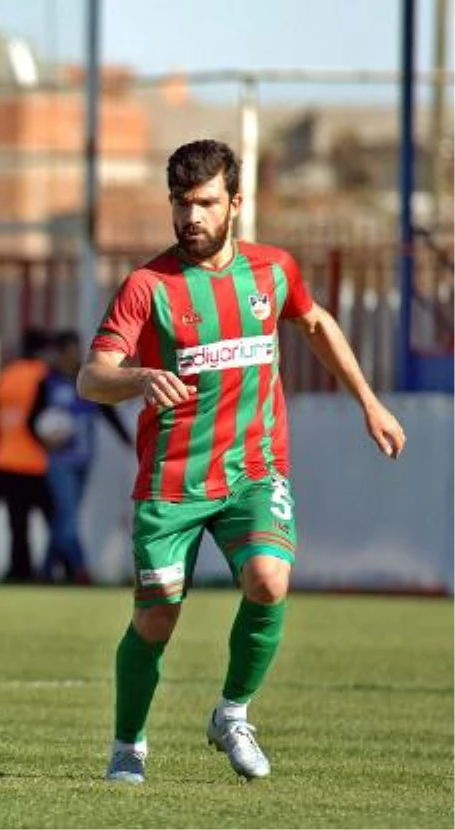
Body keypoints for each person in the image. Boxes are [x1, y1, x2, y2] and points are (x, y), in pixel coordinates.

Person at [78, 139, 406, 784]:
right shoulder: (148, 285)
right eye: (179, 203)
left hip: (253, 470)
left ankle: (232, 713)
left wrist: (369, 402)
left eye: (203, 203)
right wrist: (140, 377)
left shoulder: (273, 270)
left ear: (235, 203)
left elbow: (315, 324)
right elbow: (92, 378)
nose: (189, 217)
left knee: (269, 580)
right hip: (171, 481)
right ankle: (128, 746)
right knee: (157, 615)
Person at [32, 329, 131, 585]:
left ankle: (46, 570)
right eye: (72, 350)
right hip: (59, 461)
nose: (76, 355)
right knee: (68, 514)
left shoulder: (86, 380)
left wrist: (129, 441)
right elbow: (33, 419)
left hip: (84, 459)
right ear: (62, 353)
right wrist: (45, 440)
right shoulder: (48, 382)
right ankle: (80, 568)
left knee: (65, 516)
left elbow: (108, 412)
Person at [0, 328, 53, 582]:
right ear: (43, 351)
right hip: (34, 460)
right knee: (37, 521)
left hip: (0, 457)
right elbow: (40, 419)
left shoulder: (4, 377)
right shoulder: (44, 376)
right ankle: (30, 570)